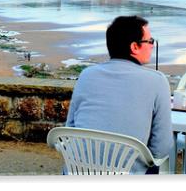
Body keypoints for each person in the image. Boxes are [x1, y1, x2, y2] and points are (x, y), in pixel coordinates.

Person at [65, 15, 173, 174]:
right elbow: (161, 148)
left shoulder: (87, 75)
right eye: (150, 41)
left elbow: (70, 128)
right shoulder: (157, 81)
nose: (152, 46)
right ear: (134, 47)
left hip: (78, 172)